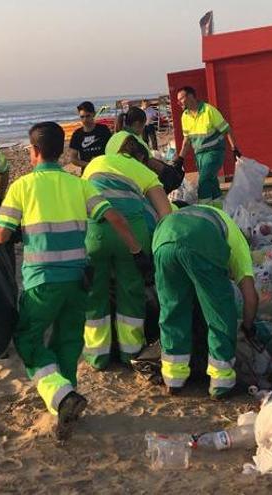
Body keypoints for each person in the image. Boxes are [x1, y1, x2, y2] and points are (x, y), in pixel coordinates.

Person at [0, 122, 151, 440]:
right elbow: (115, 217)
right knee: (68, 344)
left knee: (28, 339)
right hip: (78, 280)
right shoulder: (78, 184)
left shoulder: (22, 187)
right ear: (61, 151)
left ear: (34, 152)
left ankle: (60, 396)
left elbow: (1, 234)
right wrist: (137, 251)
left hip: (42, 282)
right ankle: (64, 406)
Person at [81, 136, 173, 369]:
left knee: (95, 295)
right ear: (140, 157)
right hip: (131, 236)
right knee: (131, 293)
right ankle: (130, 352)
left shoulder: (95, 163)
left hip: (95, 234)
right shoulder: (144, 172)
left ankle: (97, 357)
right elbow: (166, 215)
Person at [153, 204, 258, 399]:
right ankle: (221, 383)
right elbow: (250, 296)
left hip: (163, 238)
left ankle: (173, 379)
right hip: (200, 241)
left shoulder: (196, 212)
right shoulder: (238, 244)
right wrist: (248, 326)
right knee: (220, 312)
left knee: (172, 309)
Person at [174, 86, 240, 204]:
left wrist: (234, 149)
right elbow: (186, 140)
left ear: (190, 97)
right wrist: (180, 159)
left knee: (204, 181)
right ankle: (220, 209)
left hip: (214, 152)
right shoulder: (185, 116)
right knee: (212, 181)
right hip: (199, 156)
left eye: (181, 99)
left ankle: (204, 209)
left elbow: (226, 130)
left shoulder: (209, 110)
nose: (178, 103)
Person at [66, 101, 111, 169]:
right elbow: (73, 159)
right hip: (87, 172)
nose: (85, 120)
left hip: (104, 169)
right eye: (82, 117)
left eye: (87, 116)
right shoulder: (77, 134)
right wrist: (89, 164)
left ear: (94, 114)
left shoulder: (103, 130)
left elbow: (111, 150)